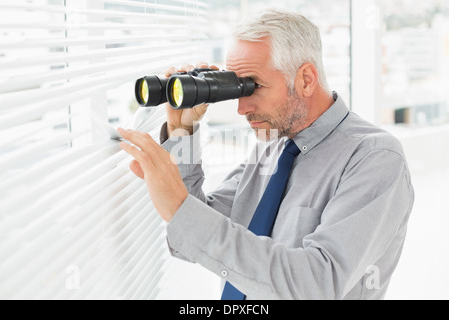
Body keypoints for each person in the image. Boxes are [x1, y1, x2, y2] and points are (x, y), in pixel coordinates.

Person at [118, 9, 414, 300]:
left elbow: (317, 285)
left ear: (306, 79)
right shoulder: (271, 146)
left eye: (253, 86)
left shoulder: (375, 158)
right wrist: (181, 132)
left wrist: (177, 203)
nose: (241, 108)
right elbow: (191, 239)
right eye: (237, 88)